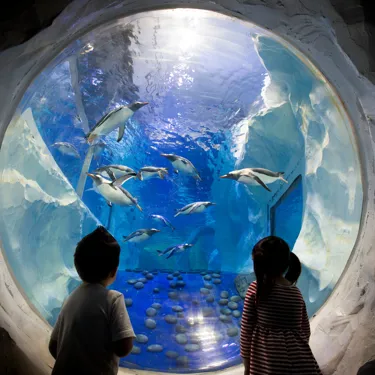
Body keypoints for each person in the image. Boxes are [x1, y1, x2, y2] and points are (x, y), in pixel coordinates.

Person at [49, 226, 135, 375]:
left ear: (77, 267)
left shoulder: (70, 299)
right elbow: (124, 347)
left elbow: (53, 346)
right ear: (113, 271)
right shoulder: (113, 299)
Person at [240, 236, 322, 375]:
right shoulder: (295, 292)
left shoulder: (257, 289)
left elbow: (246, 332)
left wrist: (247, 368)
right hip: (303, 364)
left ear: (258, 265)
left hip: (269, 365)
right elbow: (305, 331)